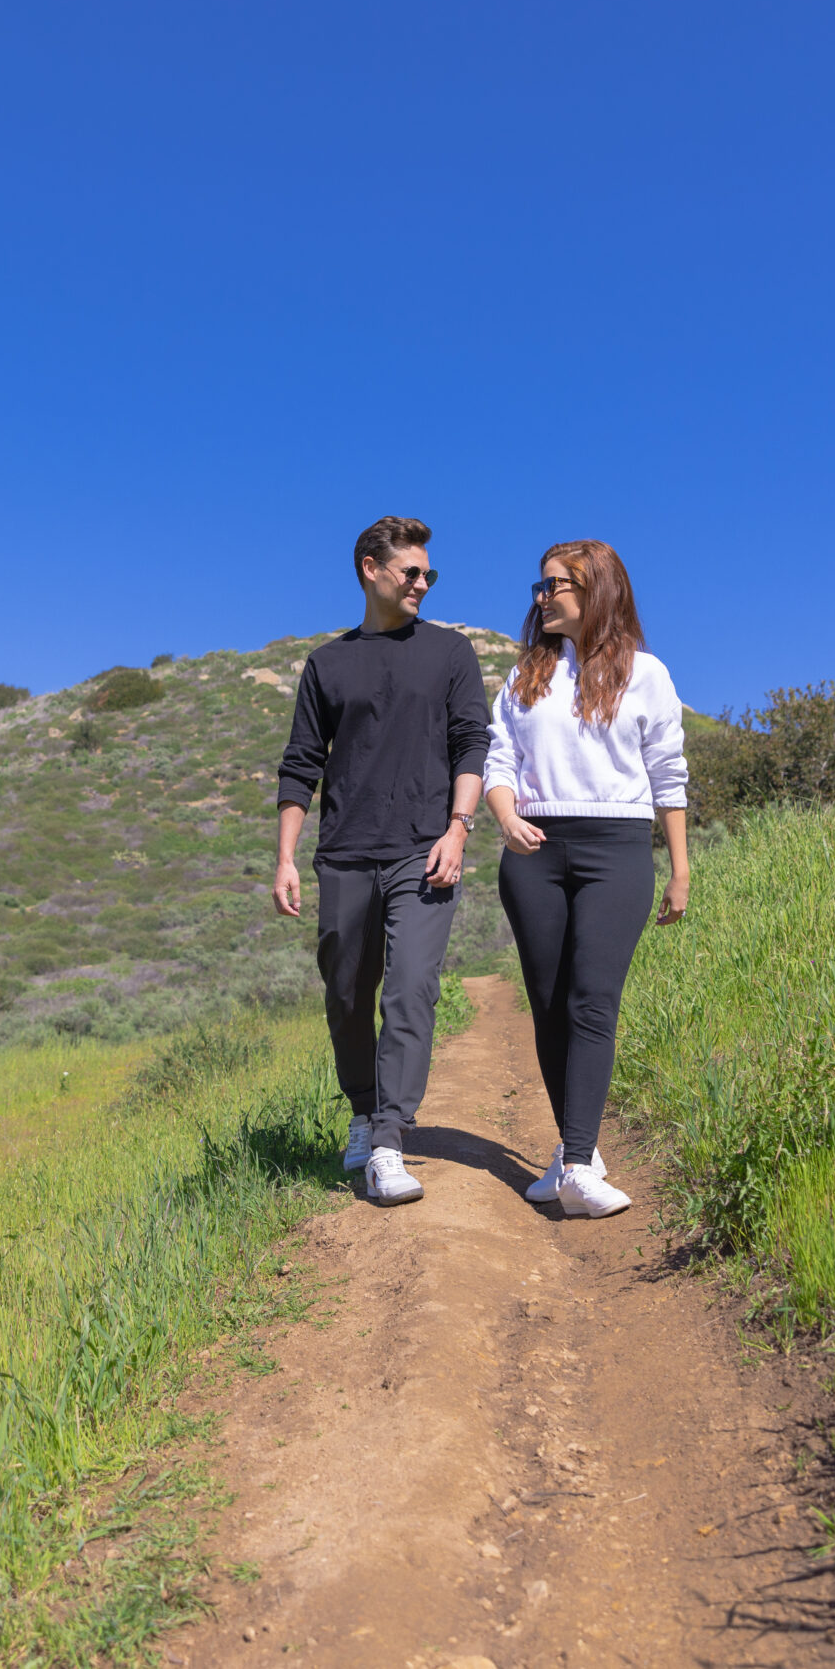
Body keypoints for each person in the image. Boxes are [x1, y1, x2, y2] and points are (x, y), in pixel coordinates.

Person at [274, 516, 491, 1207]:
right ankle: (364, 1110)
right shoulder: (327, 665)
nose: (422, 583)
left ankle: (391, 1141)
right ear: (372, 569)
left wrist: (458, 829)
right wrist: (285, 857)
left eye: (430, 574)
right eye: (411, 572)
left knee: (411, 990)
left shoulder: (450, 653)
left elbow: (471, 746)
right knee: (346, 996)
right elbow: (300, 765)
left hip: (423, 848)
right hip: (343, 855)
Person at [482, 539, 688, 1218]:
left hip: (617, 848)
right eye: (537, 587)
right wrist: (506, 819)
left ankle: (575, 1167)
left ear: (595, 590)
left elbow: (669, 773)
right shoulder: (523, 677)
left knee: (592, 999)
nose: (540, 597)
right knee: (547, 1003)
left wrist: (679, 868)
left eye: (554, 586)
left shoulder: (647, 674)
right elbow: (499, 762)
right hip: (534, 850)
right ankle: (580, 1150)